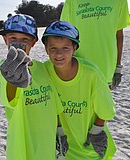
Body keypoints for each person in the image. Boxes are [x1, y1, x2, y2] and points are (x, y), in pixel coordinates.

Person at [42, 21, 116, 159]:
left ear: (74, 48)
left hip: (90, 146)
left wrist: (97, 130)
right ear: (46, 49)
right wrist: (59, 130)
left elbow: (106, 109)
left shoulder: (91, 73)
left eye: (65, 48)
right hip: (64, 148)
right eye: (53, 48)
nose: (59, 54)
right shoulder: (44, 71)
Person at [0, 14, 63, 160]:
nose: (18, 43)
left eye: (25, 40)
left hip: (47, 141)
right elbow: (9, 99)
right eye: (13, 38)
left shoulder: (43, 68)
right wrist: (12, 82)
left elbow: (54, 103)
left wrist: (60, 131)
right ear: (5, 39)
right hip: (23, 142)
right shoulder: (6, 68)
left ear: (33, 42)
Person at [60, 0, 130, 90]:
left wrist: (118, 66)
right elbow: (65, 34)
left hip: (106, 67)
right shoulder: (71, 1)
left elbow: (119, 35)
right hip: (78, 65)